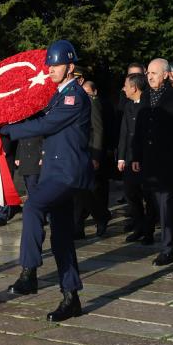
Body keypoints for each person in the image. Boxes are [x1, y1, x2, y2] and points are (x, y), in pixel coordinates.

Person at [2, 40, 92, 322]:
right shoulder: (55, 97)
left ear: (70, 67)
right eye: (49, 65)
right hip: (54, 172)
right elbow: (38, 117)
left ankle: (29, 272)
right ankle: (71, 296)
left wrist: (8, 130)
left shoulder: (74, 96)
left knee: (32, 207)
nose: (51, 69)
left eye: (56, 65)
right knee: (62, 237)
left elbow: (46, 125)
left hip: (68, 174)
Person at [133, 58, 173, 265]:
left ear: (165, 75)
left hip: (169, 160)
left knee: (167, 203)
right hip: (150, 159)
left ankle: (167, 248)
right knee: (158, 203)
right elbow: (140, 127)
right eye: (148, 73)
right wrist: (136, 155)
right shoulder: (146, 96)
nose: (149, 77)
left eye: (154, 73)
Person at [118, 73, 154, 244]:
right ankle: (139, 226)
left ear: (134, 87)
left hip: (145, 158)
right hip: (130, 157)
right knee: (131, 193)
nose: (123, 88)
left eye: (126, 85)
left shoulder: (149, 104)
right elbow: (124, 132)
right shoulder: (128, 106)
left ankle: (149, 231)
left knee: (148, 195)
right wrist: (121, 157)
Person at [73, 80, 111, 238]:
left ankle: (101, 216)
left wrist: (96, 155)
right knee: (77, 190)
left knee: (86, 189)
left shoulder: (90, 101)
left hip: (88, 152)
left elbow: (98, 129)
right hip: (74, 152)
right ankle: (78, 227)